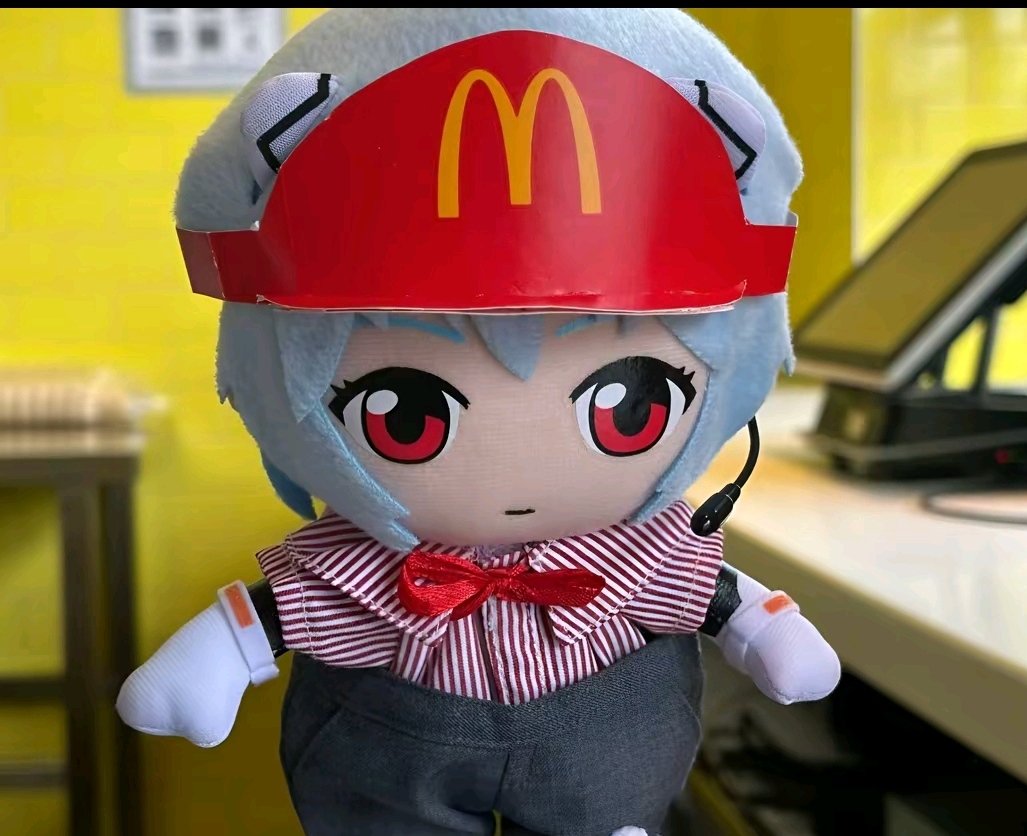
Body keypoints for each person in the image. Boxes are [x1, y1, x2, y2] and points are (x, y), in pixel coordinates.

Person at [117, 10, 841, 835]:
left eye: (627, 411)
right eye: (406, 420)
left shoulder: (643, 554)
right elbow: (288, 606)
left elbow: (712, 593)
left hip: (600, 750)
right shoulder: (363, 564)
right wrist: (218, 655)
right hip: (393, 754)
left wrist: (765, 628)